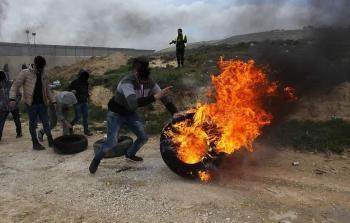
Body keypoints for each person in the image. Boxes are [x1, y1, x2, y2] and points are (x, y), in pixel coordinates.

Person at [89, 56, 178, 174]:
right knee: (112, 142)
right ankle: (96, 159)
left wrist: (174, 112)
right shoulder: (127, 82)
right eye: (142, 80)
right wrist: (154, 97)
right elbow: (132, 103)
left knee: (144, 137)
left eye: (147, 80)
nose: (145, 83)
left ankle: (130, 154)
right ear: (136, 73)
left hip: (130, 114)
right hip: (116, 114)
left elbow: (163, 97)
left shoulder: (149, 80)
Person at [9, 56, 56, 150]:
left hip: (43, 104)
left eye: (43, 67)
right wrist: (12, 99)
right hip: (31, 104)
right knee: (33, 124)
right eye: (40, 67)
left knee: (46, 123)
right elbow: (15, 85)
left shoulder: (44, 75)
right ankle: (35, 143)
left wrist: (53, 101)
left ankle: (51, 140)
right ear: (35, 64)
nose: (41, 69)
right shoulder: (25, 73)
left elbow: (48, 90)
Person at [68, 69, 92, 136]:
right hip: (77, 102)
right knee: (77, 117)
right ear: (80, 75)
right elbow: (68, 89)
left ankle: (86, 131)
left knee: (86, 117)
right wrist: (71, 90)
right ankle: (70, 127)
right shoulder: (75, 82)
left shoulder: (86, 82)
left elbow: (86, 91)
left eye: (85, 75)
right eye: (83, 74)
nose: (84, 76)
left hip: (85, 102)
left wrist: (88, 95)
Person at [0, 70, 22, 141]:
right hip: (3, 107)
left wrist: (16, 102)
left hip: (14, 107)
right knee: (1, 123)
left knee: (17, 121)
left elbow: (19, 95)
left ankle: (19, 133)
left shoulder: (12, 84)